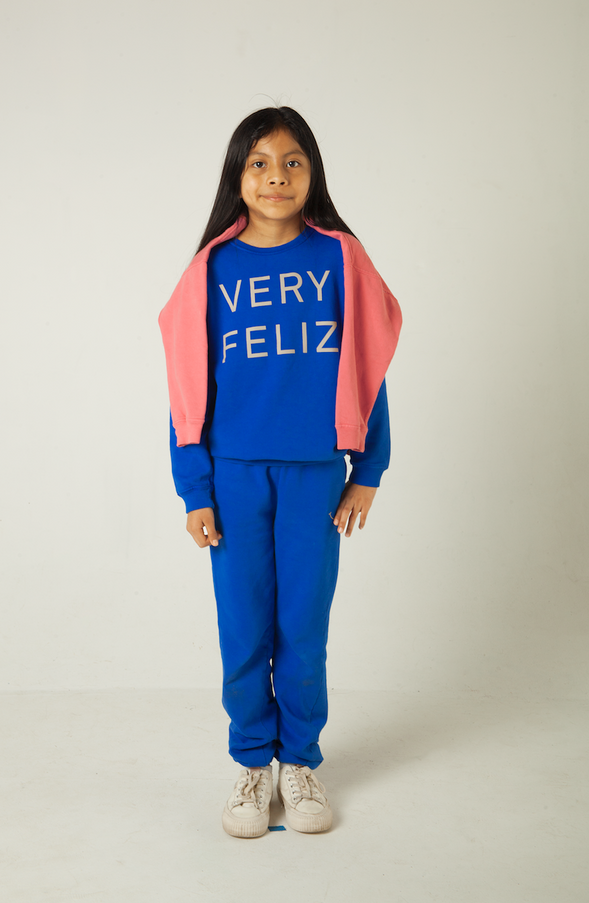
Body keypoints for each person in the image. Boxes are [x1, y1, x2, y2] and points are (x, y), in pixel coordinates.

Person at [159, 106, 402, 838]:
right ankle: (251, 764)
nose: (276, 176)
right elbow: (184, 388)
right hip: (233, 474)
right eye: (259, 162)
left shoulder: (339, 258)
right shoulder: (211, 270)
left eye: (292, 161)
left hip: (315, 474)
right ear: (237, 176)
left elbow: (367, 369)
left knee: (303, 626)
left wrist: (369, 469)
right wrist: (195, 487)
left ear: (313, 172)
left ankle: (298, 760)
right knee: (243, 630)